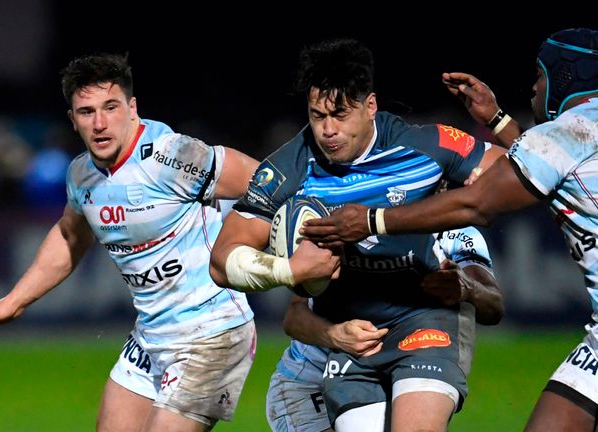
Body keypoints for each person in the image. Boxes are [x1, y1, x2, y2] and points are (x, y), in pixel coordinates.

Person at [302, 28, 598, 431]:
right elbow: (549, 165)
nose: (533, 87)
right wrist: (495, 119)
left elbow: (476, 203)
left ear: (565, 77)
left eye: (540, 75)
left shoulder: (569, 133)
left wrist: (372, 220)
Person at [209, 38, 505, 431]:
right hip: (353, 334)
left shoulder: (428, 146)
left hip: (422, 317)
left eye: (341, 114)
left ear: (370, 106)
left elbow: (522, 176)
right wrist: (287, 270)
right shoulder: (289, 169)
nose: (328, 130)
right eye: (317, 116)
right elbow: (221, 259)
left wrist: (498, 128)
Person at [0, 53, 260, 432]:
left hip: (212, 331)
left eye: (111, 107)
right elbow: (70, 236)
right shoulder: (82, 175)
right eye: (86, 112)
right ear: (72, 120)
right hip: (151, 337)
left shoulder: (172, 156)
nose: (100, 124)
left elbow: (264, 184)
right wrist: (13, 302)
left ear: (132, 108)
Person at [266, 226, 502, 432]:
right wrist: (335, 335)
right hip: (308, 377)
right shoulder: (341, 221)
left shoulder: (456, 234)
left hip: (401, 356)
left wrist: (467, 287)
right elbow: (294, 315)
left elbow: (493, 306)